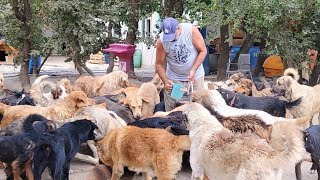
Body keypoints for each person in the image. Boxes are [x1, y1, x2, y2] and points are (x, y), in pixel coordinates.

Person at [155, 17, 207, 111]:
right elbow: (159, 64)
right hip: (175, 80)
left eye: (173, 35)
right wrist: (166, 82)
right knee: (174, 109)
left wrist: (193, 70)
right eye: (168, 36)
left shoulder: (191, 31)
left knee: (196, 108)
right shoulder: (162, 41)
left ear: (178, 28)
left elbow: (203, 51)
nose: (171, 39)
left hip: (195, 78)